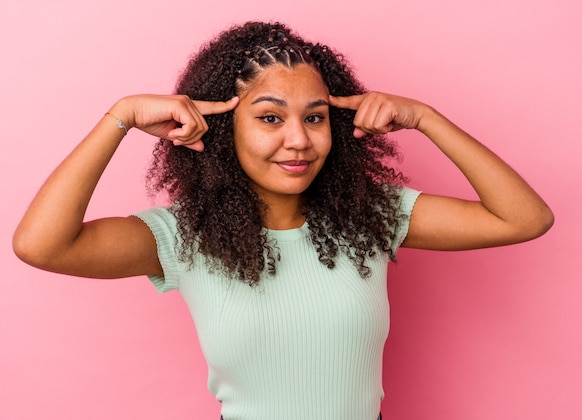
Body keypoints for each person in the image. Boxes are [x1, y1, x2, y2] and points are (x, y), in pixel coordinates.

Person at [12, 21, 553, 420]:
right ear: (225, 128)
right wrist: (121, 116)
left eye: (315, 118)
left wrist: (426, 118)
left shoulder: (370, 217)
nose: (299, 140)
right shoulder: (182, 237)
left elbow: (524, 218)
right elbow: (43, 245)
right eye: (270, 117)